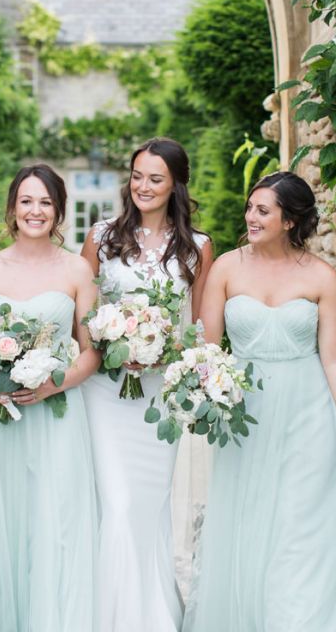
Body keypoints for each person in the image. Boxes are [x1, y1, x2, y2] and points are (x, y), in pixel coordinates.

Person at [183, 171, 336, 632]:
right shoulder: (227, 268)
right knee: (252, 526)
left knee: (302, 530)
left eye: (263, 210)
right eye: (250, 208)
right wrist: (202, 393)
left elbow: (334, 358)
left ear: (290, 220)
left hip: (308, 415)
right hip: (246, 417)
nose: (251, 217)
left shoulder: (321, 277)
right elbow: (207, 348)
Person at [0, 164, 101, 632]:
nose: (35, 211)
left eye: (45, 203)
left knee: (55, 520)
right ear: (12, 208)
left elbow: (93, 351)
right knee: (4, 518)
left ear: (58, 211)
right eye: (26, 201)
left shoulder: (77, 270)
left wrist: (56, 382)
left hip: (56, 414)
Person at [80, 138, 213, 632]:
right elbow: (81, 314)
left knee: (148, 508)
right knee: (115, 504)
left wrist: (163, 351)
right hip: (104, 393)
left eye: (155, 178)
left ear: (176, 184)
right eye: (137, 176)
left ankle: (151, 614)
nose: (143, 186)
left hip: (158, 397)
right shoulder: (101, 237)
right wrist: (109, 340)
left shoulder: (198, 247)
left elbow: (201, 330)